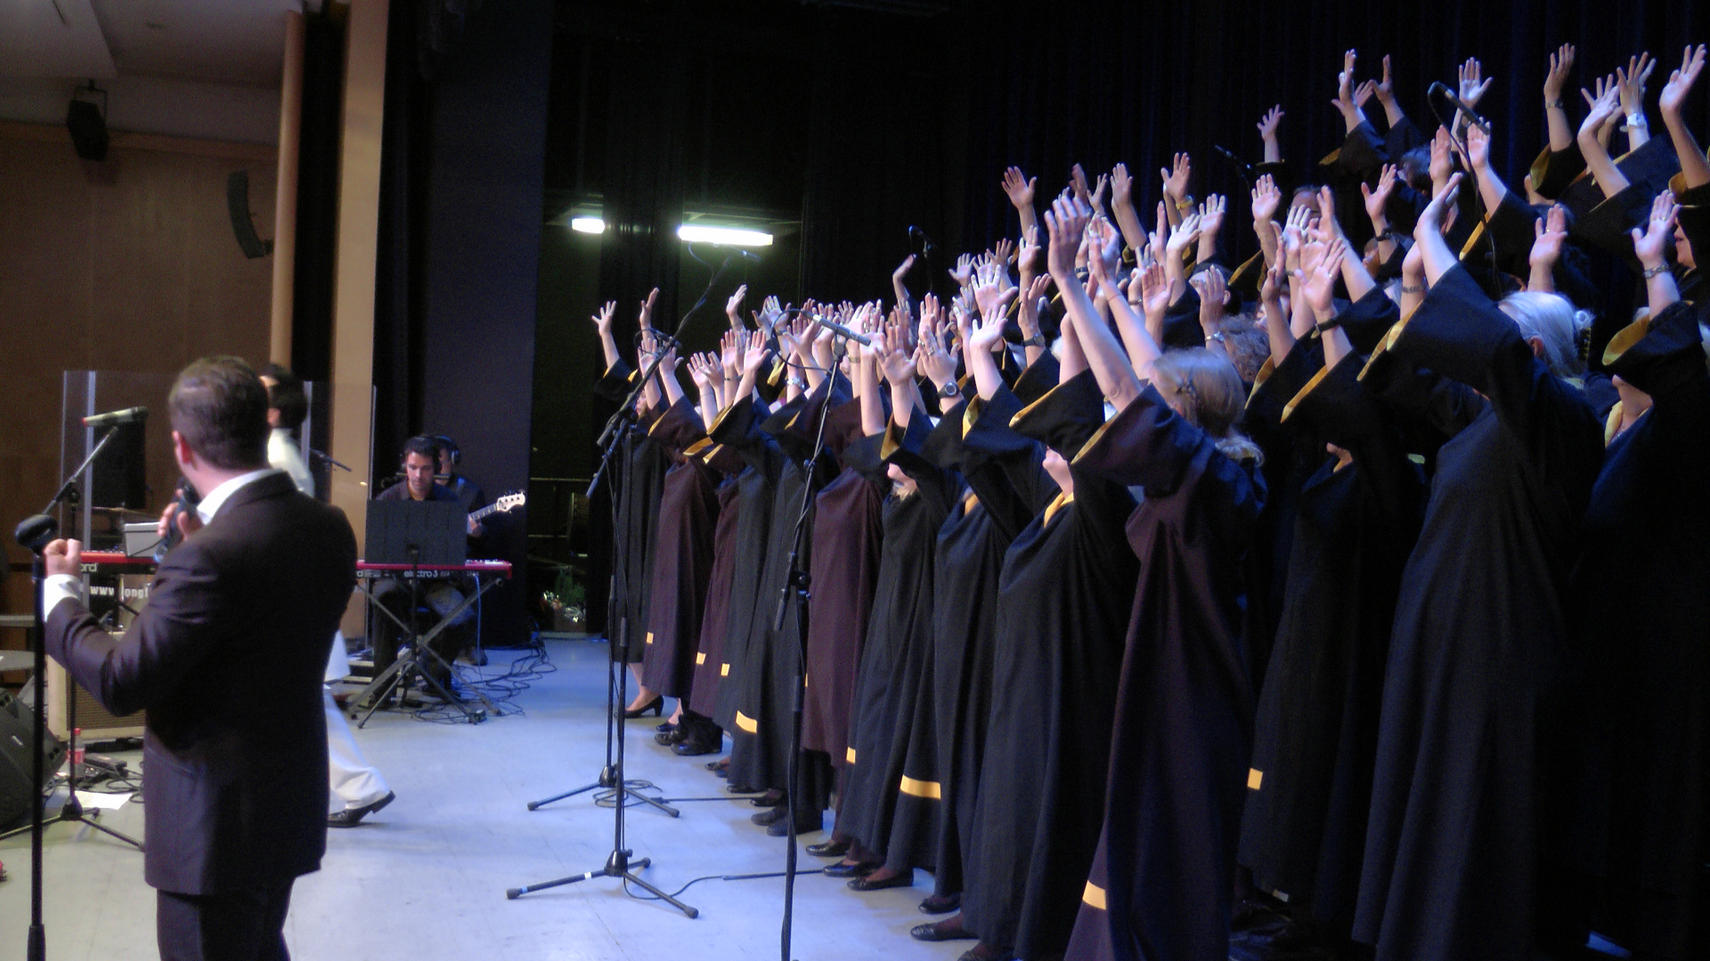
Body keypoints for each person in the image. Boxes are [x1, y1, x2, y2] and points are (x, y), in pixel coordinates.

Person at [39, 355, 356, 961]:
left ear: (182, 446)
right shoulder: (329, 527)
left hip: (213, 830)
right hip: (283, 807)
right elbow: (247, 629)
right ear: (264, 426)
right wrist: (189, 551)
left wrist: (61, 597)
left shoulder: (209, 555)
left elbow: (120, 681)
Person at [259, 364, 394, 828]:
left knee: (301, 700)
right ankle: (355, 788)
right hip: (290, 597)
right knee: (296, 701)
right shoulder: (276, 454)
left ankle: (359, 787)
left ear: (274, 411)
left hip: (284, 599)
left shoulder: (275, 458)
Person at [370, 434, 482, 692]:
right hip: (397, 579)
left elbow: (457, 552)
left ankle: (429, 674)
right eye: (413, 468)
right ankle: (382, 687)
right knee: (384, 598)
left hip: (437, 582)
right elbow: (378, 551)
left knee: (462, 618)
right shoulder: (388, 500)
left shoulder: (449, 501)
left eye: (425, 469)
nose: (418, 475)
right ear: (405, 466)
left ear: (437, 468)